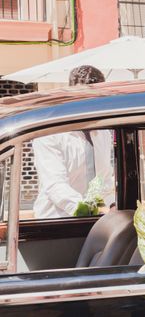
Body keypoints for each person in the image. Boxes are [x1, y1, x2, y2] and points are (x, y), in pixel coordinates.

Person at [32, 65, 114, 218]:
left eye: (97, 99)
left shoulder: (103, 133)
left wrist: (111, 205)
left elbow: (104, 179)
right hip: (57, 222)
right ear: (72, 96)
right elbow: (55, 186)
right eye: (84, 99)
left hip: (96, 219)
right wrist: (93, 210)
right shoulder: (50, 134)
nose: (91, 106)